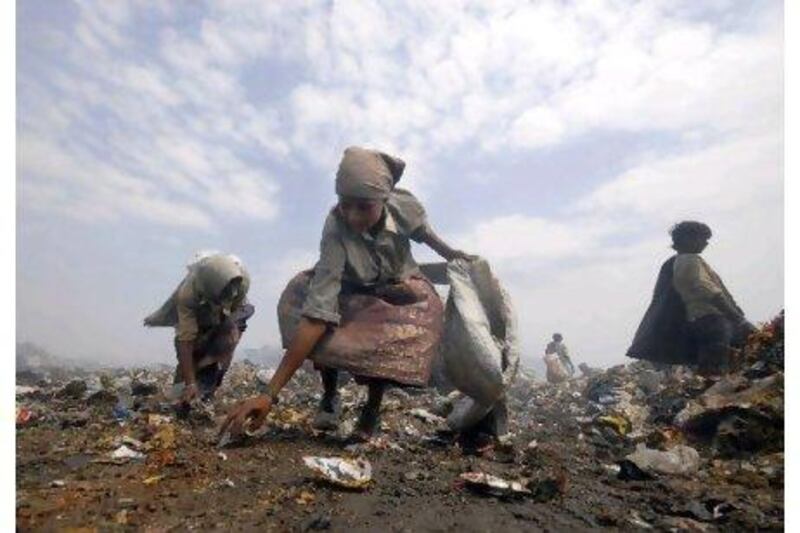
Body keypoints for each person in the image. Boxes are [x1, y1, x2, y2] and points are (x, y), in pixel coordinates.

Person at [221, 146, 474, 441]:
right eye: (345, 204)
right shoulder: (335, 228)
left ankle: (372, 408)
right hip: (348, 286)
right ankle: (329, 395)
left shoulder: (403, 206)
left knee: (404, 324)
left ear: (383, 199)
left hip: (396, 284)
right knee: (308, 309)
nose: (353, 216)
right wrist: (269, 395)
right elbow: (318, 313)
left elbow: (424, 234)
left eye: (363, 207)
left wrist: (452, 255)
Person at [627, 221, 754, 377]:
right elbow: (705, 289)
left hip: (704, 319)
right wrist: (735, 316)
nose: (706, 243)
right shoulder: (688, 260)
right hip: (711, 319)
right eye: (702, 238)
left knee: (717, 363)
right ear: (687, 238)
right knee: (715, 366)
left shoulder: (679, 262)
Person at [144, 252, 255, 407]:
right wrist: (190, 383)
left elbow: (234, 324)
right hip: (201, 317)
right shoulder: (187, 295)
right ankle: (186, 387)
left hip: (228, 315)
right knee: (188, 363)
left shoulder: (240, 284)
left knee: (225, 344)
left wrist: (220, 357)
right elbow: (185, 340)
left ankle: (210, 383)